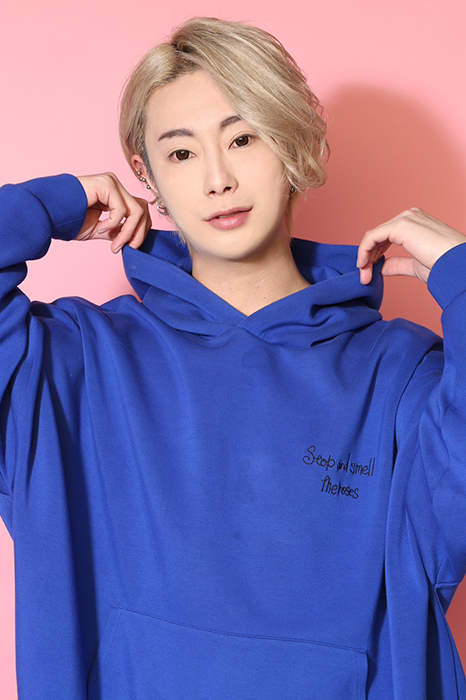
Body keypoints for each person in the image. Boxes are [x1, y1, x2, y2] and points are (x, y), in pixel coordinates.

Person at [1, 15, 465, 700]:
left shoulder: (401, 378)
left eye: (243, 138)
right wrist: (50, 205)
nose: (217, 178)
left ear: (291, 141)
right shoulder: (73, 362)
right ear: (145, 174)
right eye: (181, 153)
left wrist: (460, 272)